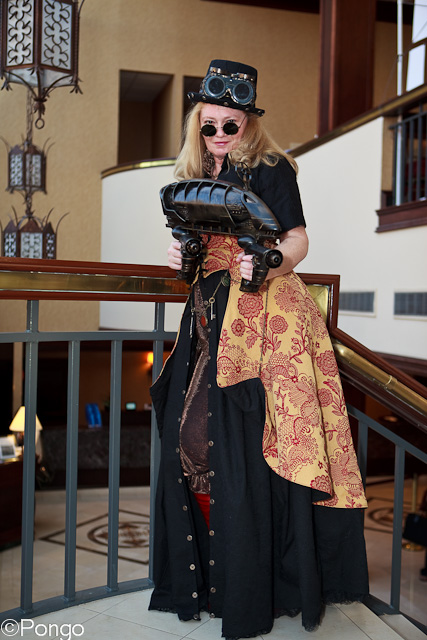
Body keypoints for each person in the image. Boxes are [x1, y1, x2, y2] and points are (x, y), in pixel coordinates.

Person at [149, 59, 369, 639]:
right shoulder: (194, 172)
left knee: (255, 445)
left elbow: (296, 238)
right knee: (192, 438)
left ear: (248, 123)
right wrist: (180, 258)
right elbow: (191, 248)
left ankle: (260, 585)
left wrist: (269, 262)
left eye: (232, 124)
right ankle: (214, 579)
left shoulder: (271, 166)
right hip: (208, 314)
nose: (220, 133)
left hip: (267, 315)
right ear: (198, 125)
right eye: (210, 125)